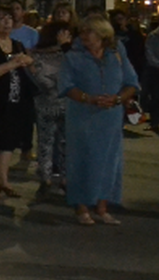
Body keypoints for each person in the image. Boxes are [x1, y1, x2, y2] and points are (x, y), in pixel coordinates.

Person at [60, 15, 140, 225]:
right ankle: (82, 207)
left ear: (103, 35)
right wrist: (90, 99)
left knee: (109, 161)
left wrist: (118, 99)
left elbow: (132, 82)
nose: (84, 36)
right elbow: (66, 86)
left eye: (90, 32)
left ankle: (102, 207)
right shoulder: (73, 56)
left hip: (110, 118)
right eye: (82, 32)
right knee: (82, 160)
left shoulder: (117, 54)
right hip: (82, 117)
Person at [0, 7, 35, 200]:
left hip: (17, 99)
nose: (7, 22)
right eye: (2, 18)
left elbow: (31, 66)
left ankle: (4, 178)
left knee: (9, 141)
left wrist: (27, 60)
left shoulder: (17, 45)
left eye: (9, 18)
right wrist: (10, 64)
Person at [28, 20, 73, 199]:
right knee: (57, 142)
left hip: (51, 102)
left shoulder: (61, 53)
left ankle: (51, 178)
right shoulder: (64, 54)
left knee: (50, 143)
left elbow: (40, 78)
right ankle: (57, 178)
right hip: (56, 102)